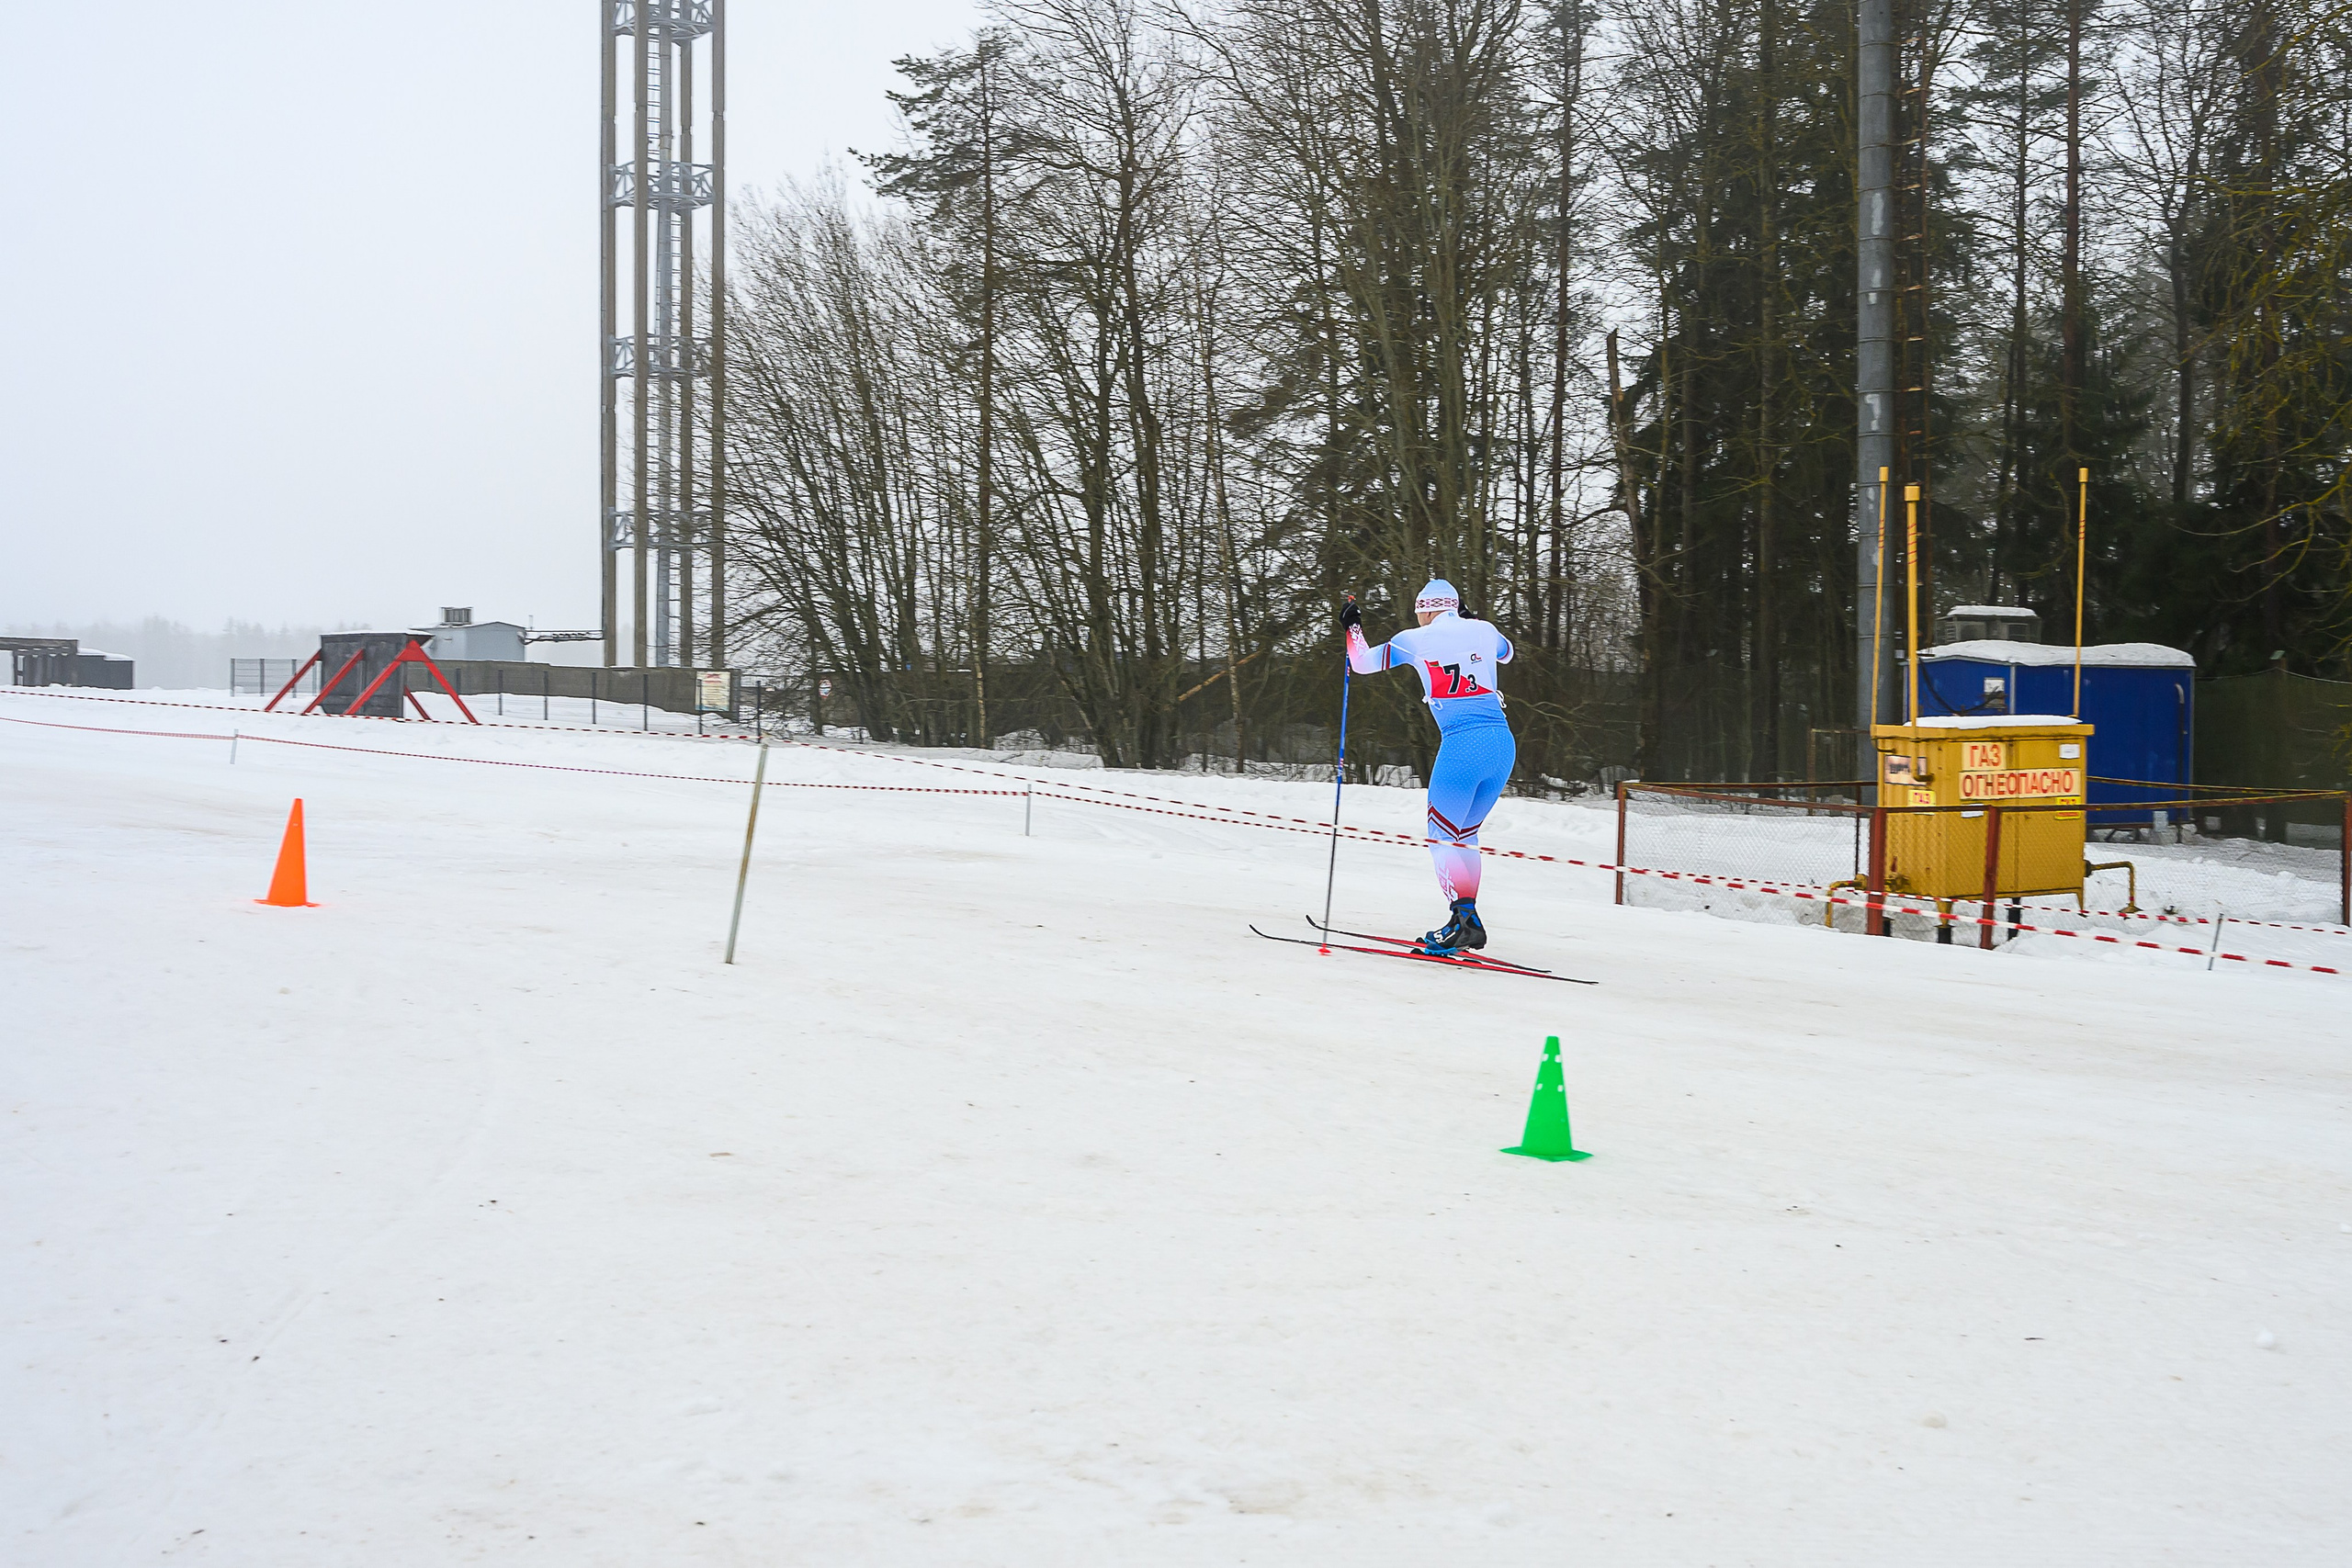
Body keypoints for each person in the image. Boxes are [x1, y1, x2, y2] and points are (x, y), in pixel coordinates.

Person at [1341, 579, 1516, 953]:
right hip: (1502, 745)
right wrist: (1472, 626)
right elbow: (1507, 654)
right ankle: (1464, 921)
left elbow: (1361, 663)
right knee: (1464, 835)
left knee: (1441, 837)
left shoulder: (1413, 639)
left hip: (1463, 746)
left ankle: (1464, 921)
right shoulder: (1484, 630)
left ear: (1426, 609)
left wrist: (1352, 627)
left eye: (1419, 611)